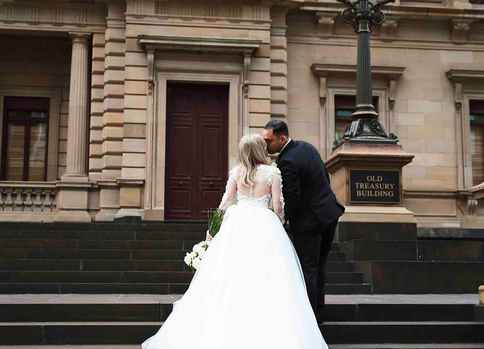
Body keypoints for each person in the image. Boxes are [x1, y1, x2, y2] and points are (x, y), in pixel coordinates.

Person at [142, 134, 328, 349]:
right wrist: (281, 223)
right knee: (267, 275)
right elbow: (278, 205)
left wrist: (212, 229)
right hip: (264, 225)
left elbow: (225, 201)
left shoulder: (237, 172)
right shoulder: (272, 173)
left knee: (229, 272)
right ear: (260, 150)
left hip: (236, 223)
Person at [262, 120, 345, 318]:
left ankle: (310, 318)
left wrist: (283, 220)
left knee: (307, 268)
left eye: (269, 140)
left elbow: (292, 197)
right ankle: (318, 309)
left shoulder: (286, 161)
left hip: (309, 222)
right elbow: (325, 177)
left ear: (281, 138)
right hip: (329, 214)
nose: (266, 145)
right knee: (318, 265)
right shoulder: (307, 147)